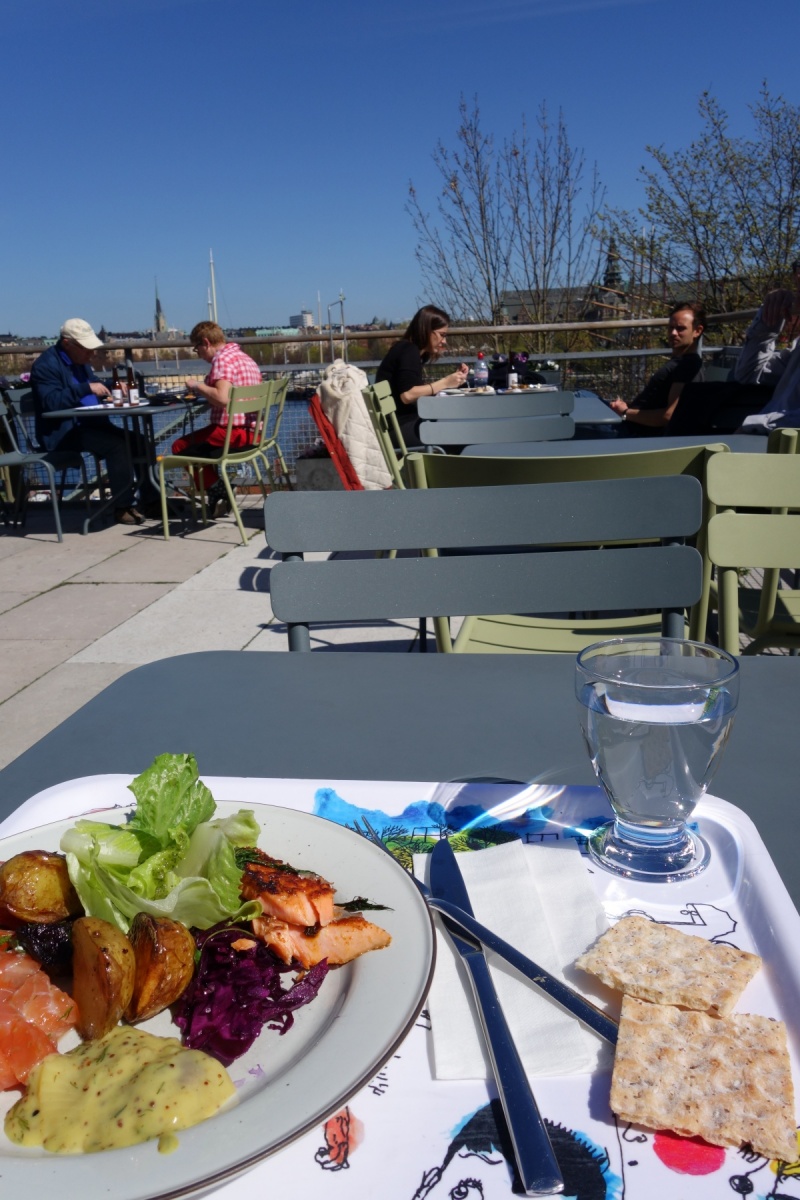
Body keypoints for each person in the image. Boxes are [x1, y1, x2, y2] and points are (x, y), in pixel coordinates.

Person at [30, 318, 142, 525]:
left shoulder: (80, 361)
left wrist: (113, 386)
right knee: (118, 446)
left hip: (91, 425)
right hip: (65, 432)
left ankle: (151, 500)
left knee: (139, 441)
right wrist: (86, 389)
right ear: (67, 343)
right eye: (86, 348)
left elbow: (94, 384)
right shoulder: (45, 365)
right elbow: (51, 402)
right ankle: (122, 507)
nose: (91, 353)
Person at [173, 321, 262, 516]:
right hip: (255, 434)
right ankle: (218, 493)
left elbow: (222, 398)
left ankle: (219, 489)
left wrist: (196, 385)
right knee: (199, 448)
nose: (198, 354)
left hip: (234, 435)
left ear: (206, 343)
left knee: (180, 447)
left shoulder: (222, 360)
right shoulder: (245, 358)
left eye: (197, 349)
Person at [375, 305, 469, 445]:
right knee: (463, 432)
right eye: (442, 335)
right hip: (398, 429)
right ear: (427, 330)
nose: (444, 341)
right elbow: (407, 395)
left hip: (395, 426)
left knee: (458, 428)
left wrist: (452, 382)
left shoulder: (405, 349)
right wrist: (445, 382)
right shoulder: (409, 351)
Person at [609, 303, 706, 435]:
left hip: (631, 431)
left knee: (580, 405)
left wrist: (625, 412)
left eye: (680, 328)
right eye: (671, 328)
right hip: (629, 423)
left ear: (697, 331)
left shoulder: (687, 366)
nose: (673, 333)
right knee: (584, 395)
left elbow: (669, 416)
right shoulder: (680, 362)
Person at [735, 260, 800, 432]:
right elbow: (749, 373)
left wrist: (752, 426)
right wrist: (769, 319)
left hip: (777, 444)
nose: (798, 277)